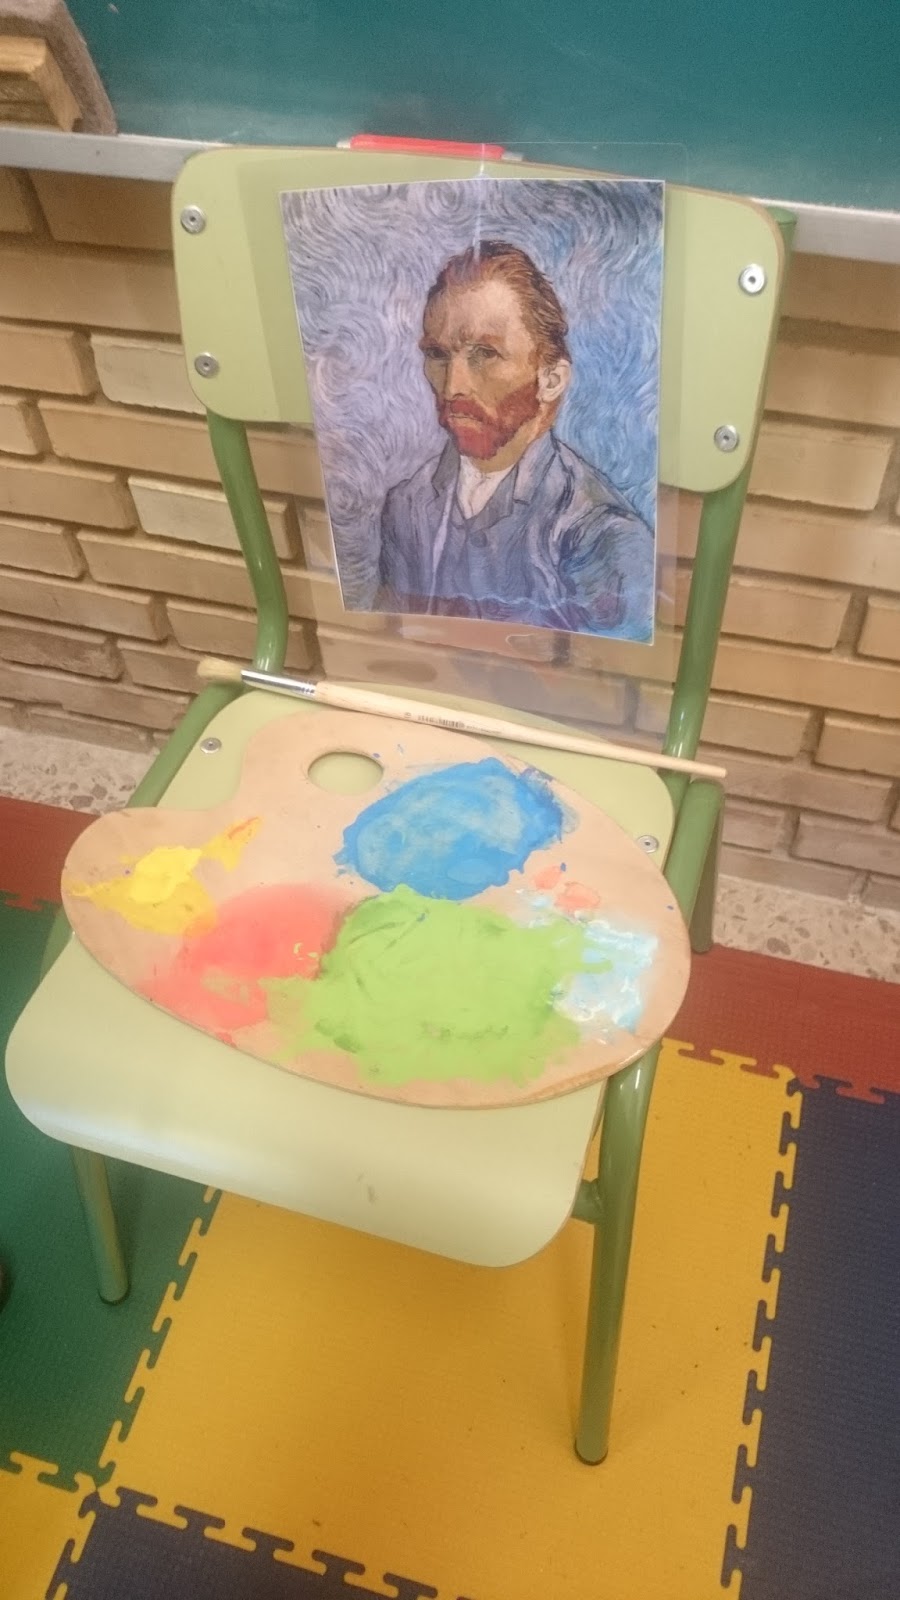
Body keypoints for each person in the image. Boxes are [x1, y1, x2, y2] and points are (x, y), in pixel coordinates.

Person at [376, 239, 654, 637]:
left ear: (551, 379)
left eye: (485, 354)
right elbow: (389, 644)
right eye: (438, 355)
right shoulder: (407, 507)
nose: (453, 387)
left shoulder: (601, 536)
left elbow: (608, 673)